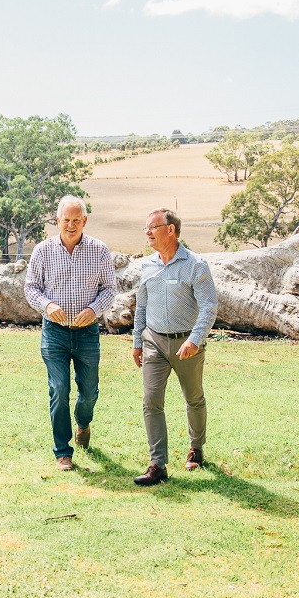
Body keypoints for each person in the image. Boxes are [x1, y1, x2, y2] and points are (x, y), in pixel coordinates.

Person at [24, 195, 117, 472]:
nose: (71, 224)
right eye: (66, 220)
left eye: (77, 220)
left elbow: (109, 289)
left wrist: (94, 309)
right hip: (54, 333)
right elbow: (31, 288)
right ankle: (63, 452)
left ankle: (83, 422)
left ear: (85, 221)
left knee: (88, 392)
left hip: (87, 332)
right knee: (59, 388)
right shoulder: (42, 251)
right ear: (57, 221)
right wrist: (47, 305)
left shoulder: (99, 250)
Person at [131, 207, 219, 486]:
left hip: (187, 344)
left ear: (171, 230)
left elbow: (209, 306)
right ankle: (157, 464)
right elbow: (141, 305)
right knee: (151, 400)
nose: (147, 232)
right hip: (154, 342)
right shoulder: (147, 266)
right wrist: (136, 342)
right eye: (146, 227)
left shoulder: (196, 265)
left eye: (153, 227)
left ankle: (197, 448)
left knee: (193, 398)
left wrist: (195, 339)